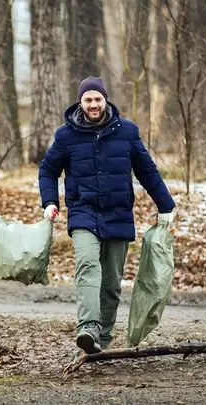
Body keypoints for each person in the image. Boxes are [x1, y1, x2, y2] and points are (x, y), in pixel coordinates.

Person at [38, 76, 175, 354]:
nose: (93, 104)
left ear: (105, 100)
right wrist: (50, 201)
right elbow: (48, 171)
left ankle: (103, 337)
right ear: (80, 102)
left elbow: (147, 170)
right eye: (88, 99)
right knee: (88, 265)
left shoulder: (126, 132)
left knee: (112, 282)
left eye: (97, 99)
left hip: (118, 213)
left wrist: (165, 206)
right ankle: (88, 327)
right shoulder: (66, 136)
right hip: (83, 212)